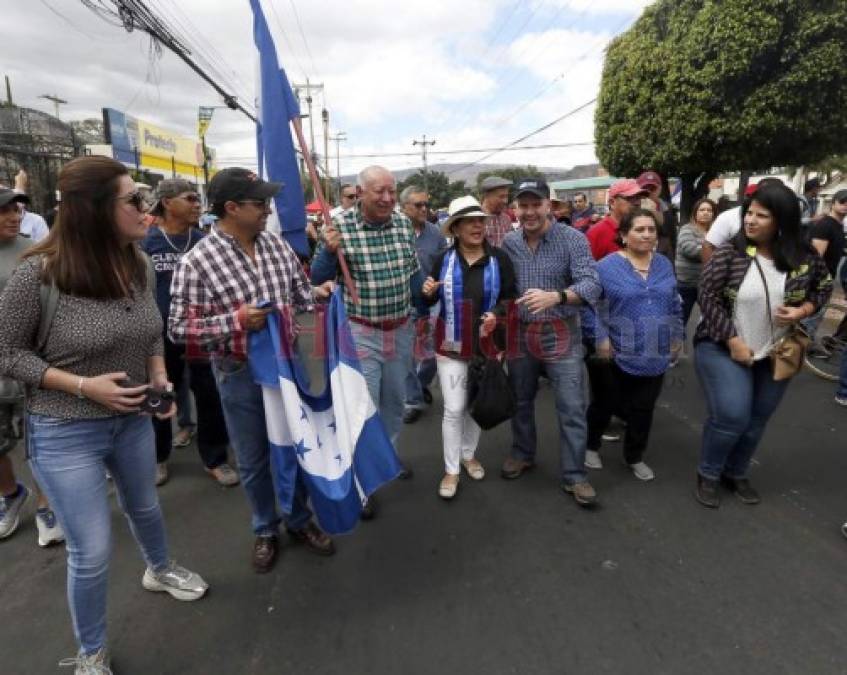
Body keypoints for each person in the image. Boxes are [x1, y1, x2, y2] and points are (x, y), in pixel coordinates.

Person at [0, 156, 208, 672]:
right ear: (95, 210)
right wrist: (83, 386)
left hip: (133, 417)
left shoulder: (134, 261)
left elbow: (150, 327)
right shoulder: (38, 273)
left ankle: (159, 569)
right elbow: (6, 353)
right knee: (90, 551)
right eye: (134, 199)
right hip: (64, 429)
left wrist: (158, 371)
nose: (146, 208)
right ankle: (91, 651)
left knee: (146, 508)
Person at [169, 167, 335, 573]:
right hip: (238, 372)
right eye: (259, 203)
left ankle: (299, 519)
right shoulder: (197, 262)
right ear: (231, 208)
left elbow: (299, 295)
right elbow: (178, 328)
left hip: (286, 365)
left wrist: (320, 294)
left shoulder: (277, 247)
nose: (267, 209)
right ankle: (265, 526)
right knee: (254, 456)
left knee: (296, 444)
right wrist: (236, 320)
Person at [693, 182, 831, 508]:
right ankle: (709, 473)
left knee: (757, 420)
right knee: (732, 415)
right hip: (722, 345)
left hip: (776, 351)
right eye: (749, 213)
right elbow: (708, 296)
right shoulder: (732, 251)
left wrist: (803, 310)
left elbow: (823, 287)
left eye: (761, 215)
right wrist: (733, 340)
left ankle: (735, 472)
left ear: (782, 220)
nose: (750, 221)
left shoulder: (804, 255)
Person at [312, 166, 422, 518]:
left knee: (395, 401)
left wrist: (425, 301)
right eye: (379, 191)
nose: (388, 198)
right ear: (360, 193)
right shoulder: (339, 229)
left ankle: (384, 459)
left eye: (392, 191)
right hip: (362, 331)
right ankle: (362, 480)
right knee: (364, 405)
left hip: (401, 328)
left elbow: (413, 274)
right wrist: (329, 252)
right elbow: (317, 278)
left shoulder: (404, 224)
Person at [500, 178, 602, 506]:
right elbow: (500, 286)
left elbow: (591, 285)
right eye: (523, 205)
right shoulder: (509, 243)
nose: (529, 212)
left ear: (549, 205)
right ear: (515, 208)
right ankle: (523, 453)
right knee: (520, 399)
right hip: (520, 335)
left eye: (536, 204)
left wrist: (556, 296)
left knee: (572, 406)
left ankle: (575, 475)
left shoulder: (572, 239)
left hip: (562, 333)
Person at [140, 179, 238, 488]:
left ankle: (215, 457)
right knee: (158, 395)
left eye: (199, 199)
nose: (198, 204)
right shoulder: (146, 242)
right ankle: (157, 457)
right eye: (190, 198)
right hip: (158, 335)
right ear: (167, 202)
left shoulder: (204, 241)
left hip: (200, 332)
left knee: (209, 393)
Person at [421, 196, 518, 499]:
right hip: (450, 344)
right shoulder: (443, 260)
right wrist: (427, 293)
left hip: (488, 345)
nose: (478, 225)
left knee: (478, 403)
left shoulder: (499, 259)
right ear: (456, 228)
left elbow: (510, 298)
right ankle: (451, 469)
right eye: (469, 221)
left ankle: (468, 454)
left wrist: (498, 315)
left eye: (480, 220)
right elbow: (431, 300)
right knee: (453, 407)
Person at [583, 208, 682, 480]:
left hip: (654, 351)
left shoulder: (663, 264)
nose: (647, 234)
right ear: (624, 235)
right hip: (612, 351)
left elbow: (675, 303)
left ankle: (634, 456)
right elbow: (588, 307)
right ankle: (591, 445)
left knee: (643, 408)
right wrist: (600, 338)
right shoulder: (604, 268)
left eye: (651, 230)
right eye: (639, 229)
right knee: (604, 403)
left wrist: (676, 335)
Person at [0, 188, 64, 547]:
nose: (13, 216)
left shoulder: (33, 254)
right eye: (4, 211)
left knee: (38, 442)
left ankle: (48, 503)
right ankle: (10, 494)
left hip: (28, 364)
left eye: (16, 209)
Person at [399, 185, 448, 424]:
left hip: (432, 303)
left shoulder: (436, 234)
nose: (424, 209)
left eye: (425, 204)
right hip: (403, 304)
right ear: (403, 207)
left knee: (433, 353)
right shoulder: (394, 232)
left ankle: (419, 385)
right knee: (407, 355)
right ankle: (413, 400)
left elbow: (444, 266)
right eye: (417, 205)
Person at [702, 178, 784, 263]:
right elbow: (708, 246)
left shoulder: (788, 220)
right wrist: (712, 273)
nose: (751, 222)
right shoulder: (728, 217)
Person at [675, 198, 717, 334]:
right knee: (680, 319)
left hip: (707, 284)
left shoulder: (716, 232)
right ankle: (671, 348)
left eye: (709, 210)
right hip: (686, 284)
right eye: (702, 210)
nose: (705, 213)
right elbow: (690, 249)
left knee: (713, 318)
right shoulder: (687, 229)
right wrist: (716, 250)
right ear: (695, 213)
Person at [586, 179, 647, 261]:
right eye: (630, 198)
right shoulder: (596, 233)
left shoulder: (645, 228)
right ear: (612, 202)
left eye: (638, 198)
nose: (637, 203)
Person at [637, 170, 678, 261]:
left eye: (652, 188)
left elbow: (672, 238)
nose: (649, 192)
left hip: (663, 257)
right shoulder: (632, 209)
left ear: (659, 189)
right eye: (644, 189)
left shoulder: (668, 209)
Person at [479, 176, 514, 247]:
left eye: (506, 196)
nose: (505, 201)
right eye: (501, 197)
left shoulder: (506, 219)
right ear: (487, 196)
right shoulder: (475, 219)